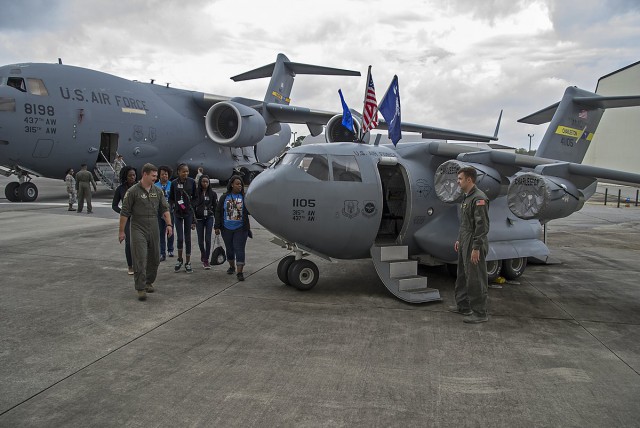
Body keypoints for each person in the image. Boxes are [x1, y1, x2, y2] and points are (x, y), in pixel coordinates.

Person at [118, 163, 172, 301]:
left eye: (156, 176)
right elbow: (124, 213)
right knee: (140, 257)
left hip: (153, 225)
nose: (155, 178)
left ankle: (148, 282)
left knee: (155, 258)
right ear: (145, 174)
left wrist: (169, 224)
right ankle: (140, 288)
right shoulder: (133, 191)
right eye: (153, 176)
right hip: (138, 227)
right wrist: (121, 231)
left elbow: (164, 209)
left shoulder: (158, 191)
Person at [449, 166, 490, 324]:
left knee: (475, 277)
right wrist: (460, 239)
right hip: (465, 240)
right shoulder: (467, 197)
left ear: (469, 179)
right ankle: (463, 306)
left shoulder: (479, 198)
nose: (457, 182)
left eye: (460, 179)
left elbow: (482, 227)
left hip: (474, 242)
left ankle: (480, 312)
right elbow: (465, 223)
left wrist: (476, 248)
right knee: (462, 275)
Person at [215, 175, 251, 281]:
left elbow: (250, 210)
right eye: (237, 184)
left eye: (241, 184)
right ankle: (231, 266)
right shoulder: (224, 197)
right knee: (230, 250)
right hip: (226, 228)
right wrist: (217, 226)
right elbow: (218, 212)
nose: (239, 186)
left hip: (240, 228)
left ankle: (240, 272)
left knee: (239, 249)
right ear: (231, 185)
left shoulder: (245, 198)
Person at [169, 163, 197, 274]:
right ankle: (180, 259)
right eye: (183, 171)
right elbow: (171, 198)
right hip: (177, 214)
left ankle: (188, 262)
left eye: (187, 171)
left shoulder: (192, 182)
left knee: (188, 238)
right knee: (180, 238)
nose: (186, 173)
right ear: (178, 172)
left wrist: (190, 206)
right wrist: (173, 205)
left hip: (188, 213)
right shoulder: (174, 183)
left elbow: (196, 197)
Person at [112, 166, 137, 275]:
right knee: (129, 242)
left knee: (141, 242)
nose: (133, 177)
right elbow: (114, 206)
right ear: (125, 177)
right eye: (130, 175)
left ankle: (139, 264)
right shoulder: (121, 189)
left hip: (139, 218)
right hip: (128, 220)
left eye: (134, 175)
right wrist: (124, 213)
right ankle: (130, 266)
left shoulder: (139, 187)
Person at [194, 175, 217, 269]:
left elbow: (216, 207)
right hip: (199, 219)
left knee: (208, 239)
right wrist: (192, 220)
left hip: (209, 218)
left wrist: (217, 223)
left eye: (207, 182)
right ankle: (203, 253)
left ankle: (206, 259)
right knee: (200, 240)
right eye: (203, 182)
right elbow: (192, 206)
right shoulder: (196, 193)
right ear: (200, 182)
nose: (205, 184)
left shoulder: (213, 194)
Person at [155, 165, 175, 261]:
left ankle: (170, 249)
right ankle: (162, 252)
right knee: (161, 232)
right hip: (160, 213)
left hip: (170, 212)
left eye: (166, 174)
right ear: (159, 175)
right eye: (162, 174)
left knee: (170, 231)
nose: (164, 176)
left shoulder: (172, 185)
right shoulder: (155, 186)